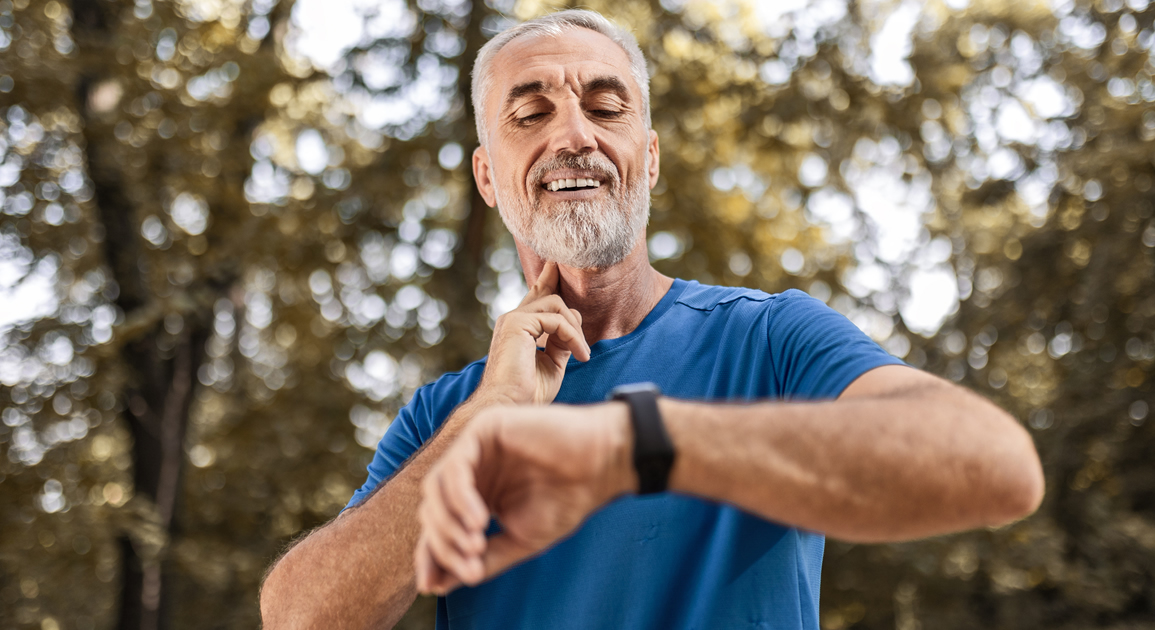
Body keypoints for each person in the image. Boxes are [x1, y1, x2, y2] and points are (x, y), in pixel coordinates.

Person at [259, 9, 1044, 630]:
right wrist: (492, 415)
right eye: (529, 115)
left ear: (651, 156)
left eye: (606, 107)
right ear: (488, 176)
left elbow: (993, 464)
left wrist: (635, 445)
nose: (575, 135)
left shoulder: (768, 339)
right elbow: (298, 618)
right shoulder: (445, 413)